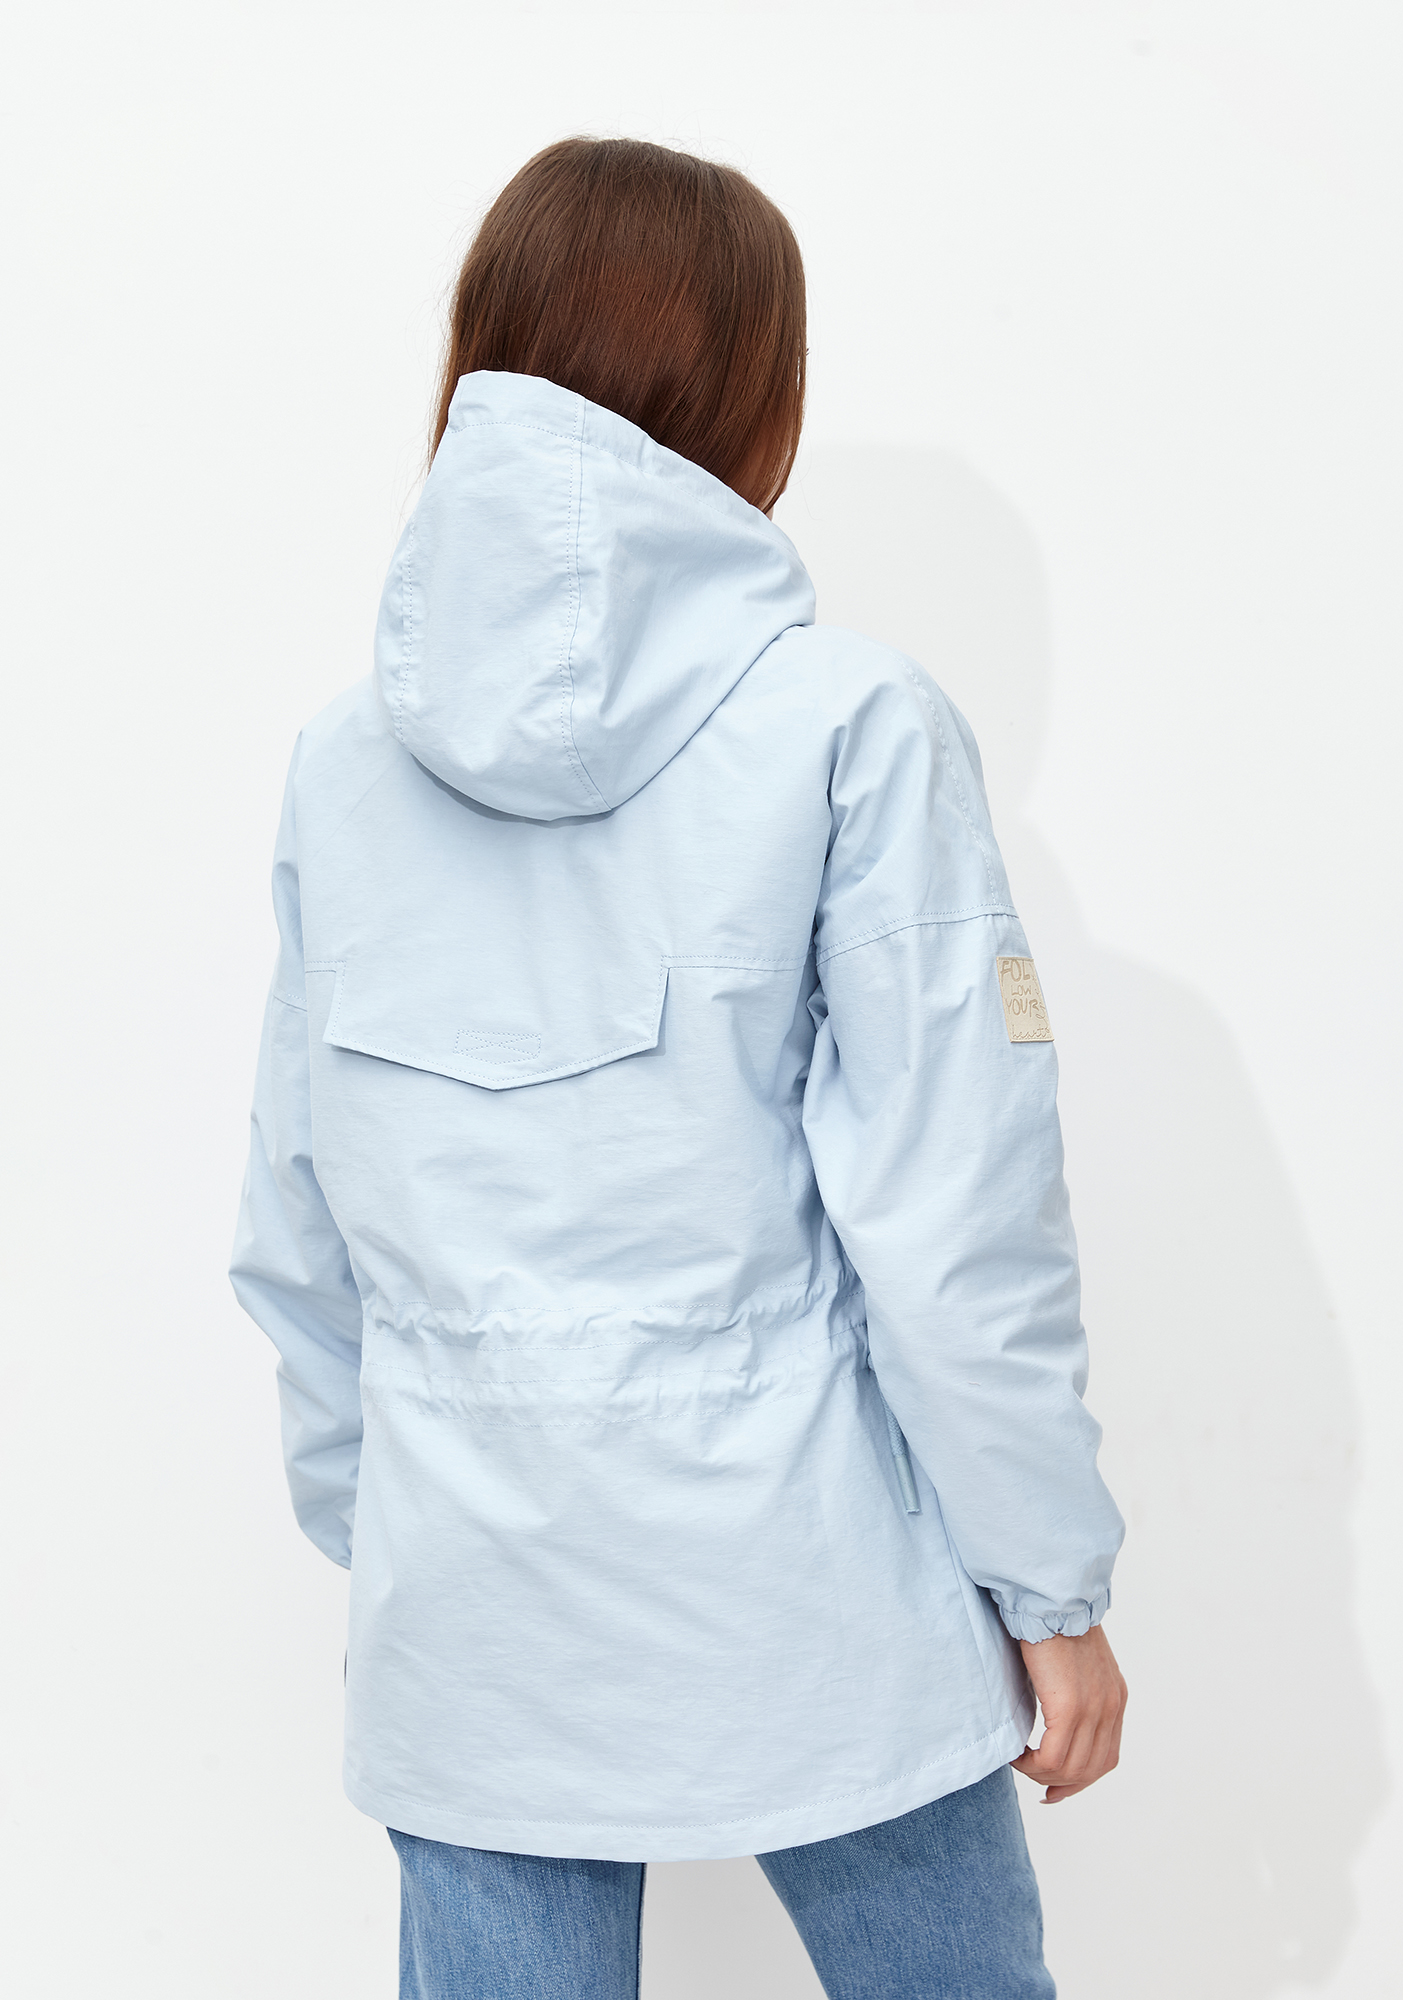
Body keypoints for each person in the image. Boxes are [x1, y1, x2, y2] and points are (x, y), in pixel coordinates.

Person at [230, 136, 1126, 2000]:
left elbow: (300, 1224)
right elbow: (953, 1224)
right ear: (753, 395)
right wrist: (1051, 1589)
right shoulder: (855, 725)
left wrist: (398, 1532)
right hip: (815, 1592)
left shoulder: (344, 763)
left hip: (469, 1613)